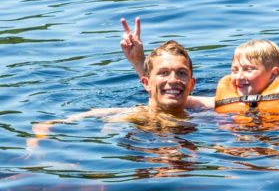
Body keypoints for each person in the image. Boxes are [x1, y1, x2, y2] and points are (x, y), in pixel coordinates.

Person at [120, 18, 279, 114]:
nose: (239, 76)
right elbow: (168, 97)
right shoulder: (223, 102)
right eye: (235, 70)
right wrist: (139, 62)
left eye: (249, 69)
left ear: (273, 74)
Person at [32, 39, 201, 142]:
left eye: (181, 73)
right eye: (163, 73)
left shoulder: (204, 115)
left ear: (191, 84)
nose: (173, 80)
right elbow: (50, 125)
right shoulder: (131, 117)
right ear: (146, 83)